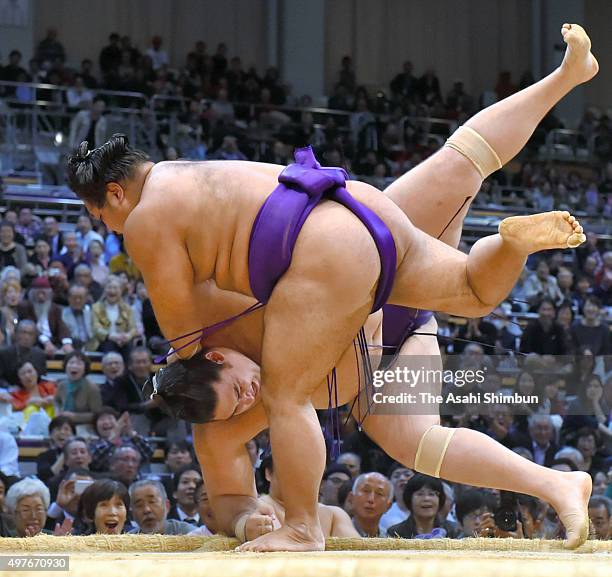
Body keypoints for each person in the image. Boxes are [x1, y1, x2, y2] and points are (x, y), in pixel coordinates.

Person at [66, 24, 596, 552]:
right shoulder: (216, 427)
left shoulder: (182, 272)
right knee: (466, 295)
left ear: (217, 356)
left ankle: (303, 527)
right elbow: (229, 500)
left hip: (335, 269)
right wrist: (249, 519)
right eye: (234, 408)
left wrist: (186, 354)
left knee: (287, 393)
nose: (246, 399)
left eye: (101, 215)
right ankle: (557, 474)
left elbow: (177, 318)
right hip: (362, 258)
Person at [247, 454, 358, 541]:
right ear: (269, 473)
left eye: (306, 467)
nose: (298, 474)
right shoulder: (254, 509)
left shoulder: (334, 515)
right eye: (290, 467)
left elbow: (356, 556)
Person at [128, 479, 193, 535]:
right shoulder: (128, 542)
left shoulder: (189, 533)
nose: (147, 510)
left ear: (167, 506)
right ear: (132, 513)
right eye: (139, 505)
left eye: (152, 502)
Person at [55, 351, 102, 425]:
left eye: (79, 363)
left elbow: (97, 415)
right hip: (63, 424)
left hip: (84, 426)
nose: (74, 366)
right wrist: (58, 412)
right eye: (71, 363)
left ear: (85, 368)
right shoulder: (61, 385)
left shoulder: (92, 388)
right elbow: (57, 401)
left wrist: (75, 417)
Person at [0, 320, 47, 388]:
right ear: (16, 334)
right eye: (23, 332)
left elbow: (42, 378)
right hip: (9, 392)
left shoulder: (40, 354)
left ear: (35, 338)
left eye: (31, 334)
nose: (26, 337)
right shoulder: (4, 353)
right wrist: (9, 387)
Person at [346, 472, 392, 537]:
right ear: (351, 498)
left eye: (379, 494)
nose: (371, 499)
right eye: (366, 490)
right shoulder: (336, 534)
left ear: (388, 506)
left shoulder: (390, 543)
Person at [36, 416, 76, 484]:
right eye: (58, 429)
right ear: (51, 434)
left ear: (73, 435)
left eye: (66, 429)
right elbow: (48, 475)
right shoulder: (43, 456)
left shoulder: (79, 454)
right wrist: (65, 452)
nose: (62, 432)